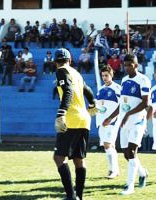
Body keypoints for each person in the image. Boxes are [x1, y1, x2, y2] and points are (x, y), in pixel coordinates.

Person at [102, 54, 150, 195]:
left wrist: (129, 114)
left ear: (136, 65)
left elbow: (145, 103)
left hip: (137, 121)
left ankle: (130, 186)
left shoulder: (143, 80)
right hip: (124, 122)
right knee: (126, 154)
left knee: (132, 151)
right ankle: (142, 173)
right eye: (126, 64)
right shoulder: (124, 80)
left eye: (130, 64)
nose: (127, 67)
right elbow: (121, 103)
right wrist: (111, 117)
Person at [53, 48, 97, 200]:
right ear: (70, 60)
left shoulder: (61, 71)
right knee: (79, 159)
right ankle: (79, 195)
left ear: (55, 62)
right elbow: (88, 90)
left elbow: (68, 91)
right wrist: (92, 104)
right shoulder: (76, 73)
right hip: (84, 119)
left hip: (71, 119)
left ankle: (71, 196)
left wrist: (61, 113)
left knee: (59, 158)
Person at [95, 66, 121, 179]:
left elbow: (122, 106)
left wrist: (110, 118)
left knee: (107, 145)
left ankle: (112, 170)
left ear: (112, 75)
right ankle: (116, 169)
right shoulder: (100, 89)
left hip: (112, 121)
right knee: (110, 146)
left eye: (106, 75)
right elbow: (97, 105)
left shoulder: (117, 88)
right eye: (103, 76)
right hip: (101, 122)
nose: (104, 78)